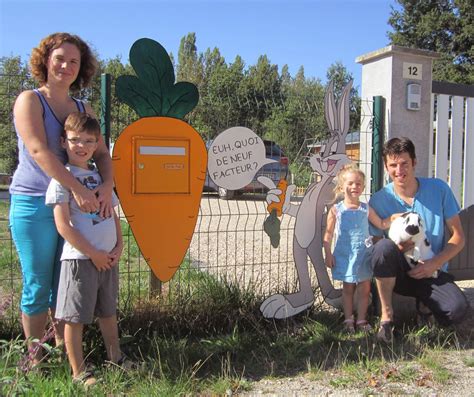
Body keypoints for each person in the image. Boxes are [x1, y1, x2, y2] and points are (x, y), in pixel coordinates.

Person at [9, 33, 114, 364]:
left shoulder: (84, 108)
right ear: (45, 60)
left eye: (74, 61)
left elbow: (102, 152)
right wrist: (79, 189)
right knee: (38, 285)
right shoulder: (30, 100)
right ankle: (34, 359)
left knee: (64, 284)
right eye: (60, 58)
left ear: (81, 68)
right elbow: (40, 152)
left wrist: (108, 183)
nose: (66, 66)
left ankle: (63, 355)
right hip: (34, 204)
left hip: (77, 209)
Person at [46, 112, 125, 386]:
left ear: (97, 144)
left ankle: (116, 358)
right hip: (80, 260)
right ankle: (79, 371)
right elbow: (63, 226)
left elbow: (113, 215)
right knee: (75, 317)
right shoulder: (63, 178)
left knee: (108, 311)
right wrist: (93, 253)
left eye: (89, 140)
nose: (82, 145)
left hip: (108, 258)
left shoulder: (100, 178)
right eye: (75, 140)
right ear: (63, 142)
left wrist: (119, 245)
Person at [369, 137, 468, 342]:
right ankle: (386, 319)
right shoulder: (379, 200)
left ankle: (426, 308)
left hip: (432, 269)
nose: (399, 170)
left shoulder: (439, 189)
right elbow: (376, 245)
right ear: (386, 167)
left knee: (458, 311)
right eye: (393, 165)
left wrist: (435, 263)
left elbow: (458, 237)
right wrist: (398, 248)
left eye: (404, 163)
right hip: (398, 274)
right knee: (384, 248)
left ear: (414, 162)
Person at [323, 164, 396, 333]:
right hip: (345, 256)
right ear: (342, 187)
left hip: (364, 255)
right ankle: (348, 319)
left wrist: (393, 217)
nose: (354, 187)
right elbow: (327, 235)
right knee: (348, 289)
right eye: (350, 183)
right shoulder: (336, 210)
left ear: (363, 186)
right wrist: (328, 254)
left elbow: (381, 224)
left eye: (358, 184)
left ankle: (361, 320)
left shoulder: (366, 208)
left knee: (365, 289)